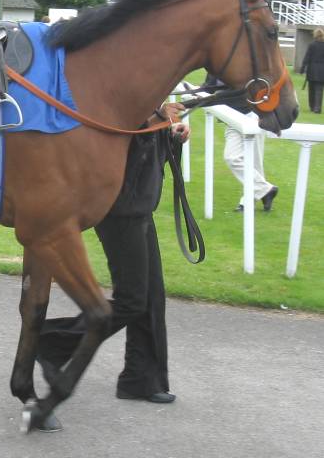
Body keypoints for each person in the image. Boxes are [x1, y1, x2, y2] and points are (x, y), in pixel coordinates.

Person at [37, 102, 189, 405]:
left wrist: (170, 133)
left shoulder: (148, 84)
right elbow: (113, 127)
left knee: (151, 296)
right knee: (132, 299)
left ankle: (141, 380)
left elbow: (145, 138)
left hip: (139, 199)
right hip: (117, 204)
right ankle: (48, 342)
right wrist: (158, 118)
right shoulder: (121, 81)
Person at [205, 73, 278, 212]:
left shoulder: (244, 65)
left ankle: (248, 202)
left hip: (253, 115)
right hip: (232, 119)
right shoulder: (214, 68)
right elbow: (208, 88)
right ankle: (266, 190)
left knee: (255, 162)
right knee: (231, 157)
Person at [300, 28, 324, 114]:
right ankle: (317, 108)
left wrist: (302, 69)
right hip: (322, 71)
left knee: (311, 89)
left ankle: (312, 106)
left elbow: (307, 57)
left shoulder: (312, 45)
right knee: (319, 90)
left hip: (312, 70)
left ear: (315, 35)